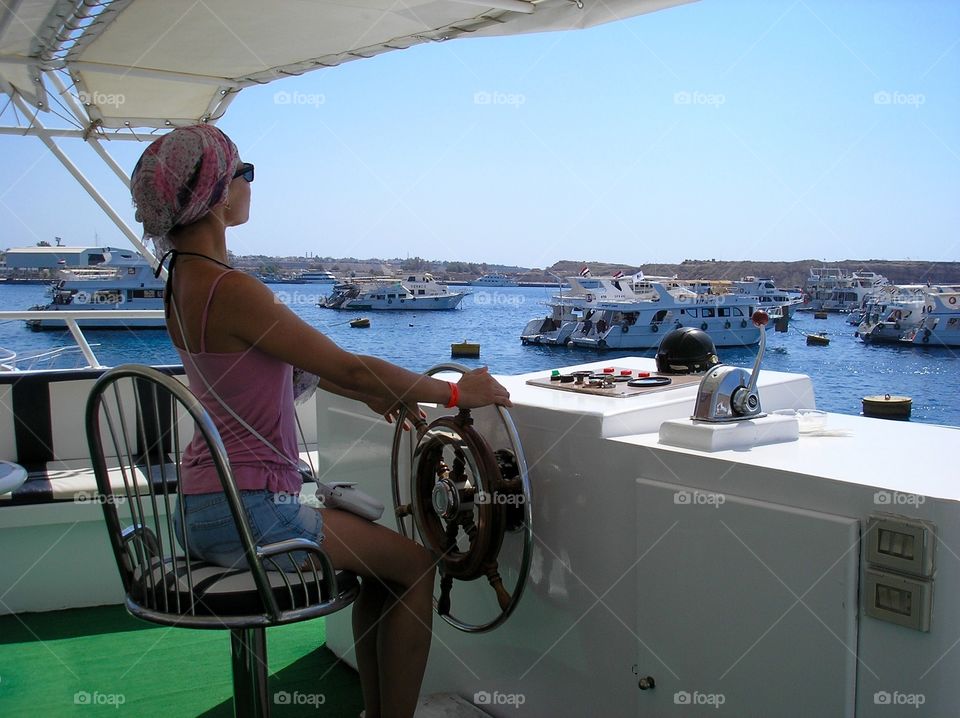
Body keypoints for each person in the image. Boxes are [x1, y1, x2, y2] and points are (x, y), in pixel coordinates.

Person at [130, 124, 511, 718]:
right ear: (216, 194)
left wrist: (364, 394)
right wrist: (457, 392)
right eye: (244, 172)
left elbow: (281, 366)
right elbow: (352, 366)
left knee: (383, 573)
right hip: (251, 513)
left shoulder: (180, 281)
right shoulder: (232, 289)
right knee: (415, 567)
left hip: (204, 506)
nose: (251, 183)